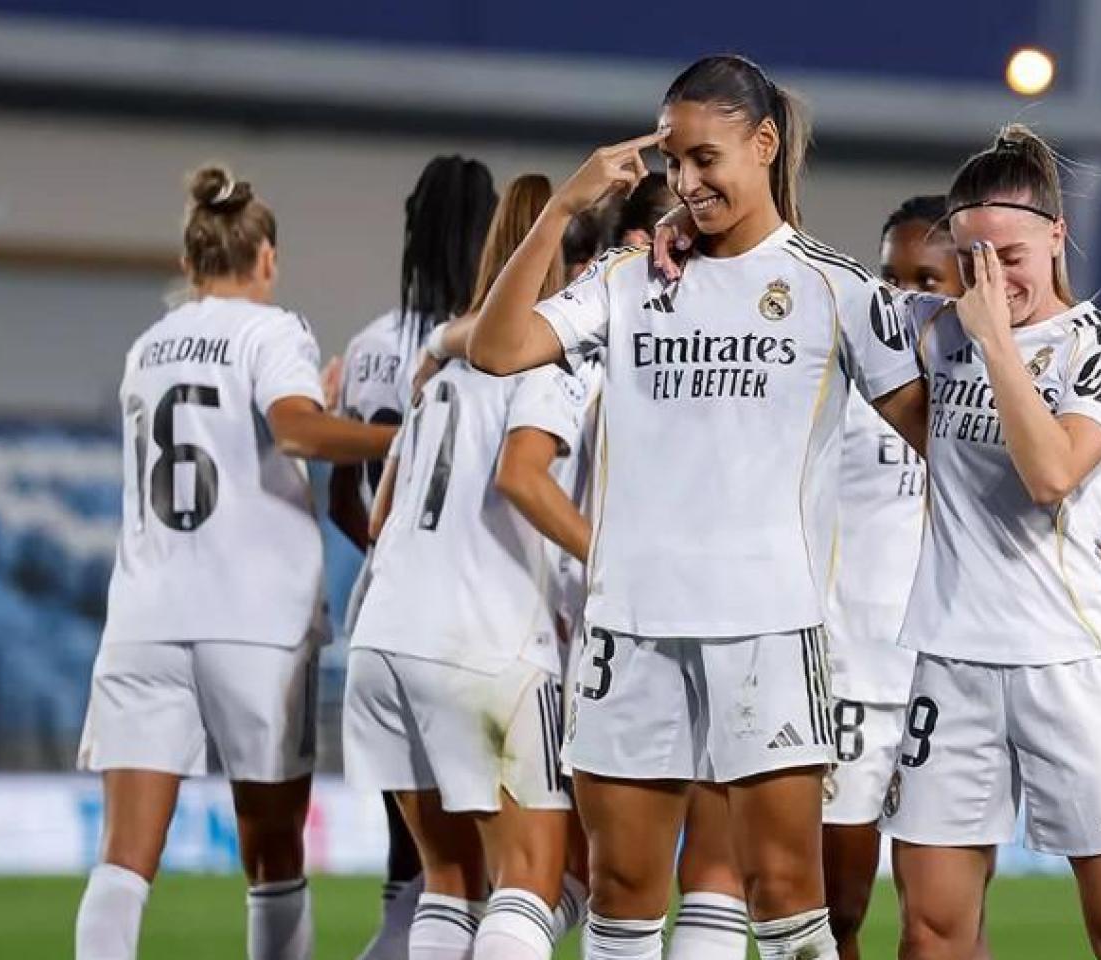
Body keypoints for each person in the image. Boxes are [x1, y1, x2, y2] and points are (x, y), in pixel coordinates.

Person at [461, 54, 930, 960]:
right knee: (623, 895)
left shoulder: (839, 289)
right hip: (630, 627)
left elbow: (934, 444)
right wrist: (565, 206)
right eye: (674, 161)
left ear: (764, 145)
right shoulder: (632, 276)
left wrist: (1077, 518)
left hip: (770, 628)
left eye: (706, 158)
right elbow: (495, 347)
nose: (687, 180)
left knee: (789, 898)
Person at [74, 165, 396, 960]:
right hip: (253, 623)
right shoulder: (270, 331)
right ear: (267, 261)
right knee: (274, 857)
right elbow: (294, 431)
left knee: (122, 861)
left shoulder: (146, 348)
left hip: (146, 620)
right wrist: (401, 436)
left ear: (190, 264)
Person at [880, 126, 1101, 960]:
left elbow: (1049, 476)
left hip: (1071, 665)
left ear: (1056, 235)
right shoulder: (933, 332)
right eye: (970, 259)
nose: (991, 278)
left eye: (1010, 254)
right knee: (932, 931)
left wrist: (997, 342)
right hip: (952, 660)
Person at [345, 173, 595, 960]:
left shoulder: (441, 372)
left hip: (381, 641)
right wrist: (616, 562)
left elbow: (379, 517)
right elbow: (519, 477)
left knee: (450, 881)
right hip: (481, 647)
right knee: (533, 877)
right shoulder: (550, 365)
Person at [327, 154, 497, 960]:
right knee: (496, 878)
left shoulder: (366, 348)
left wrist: (393, 553)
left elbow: (342, 499)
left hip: (384, 613)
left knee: (422, 870)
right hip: (477, 620)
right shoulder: (493, 343)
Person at [821, 194, 965, 960]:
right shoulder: (843, 389)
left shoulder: (991, 396)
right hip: (852, 676)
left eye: (928, 277)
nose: (906, 296)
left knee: (944, 924)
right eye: (890, 277)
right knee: (836, 913)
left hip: (951, 684)